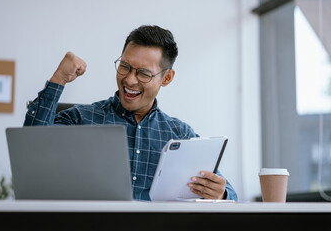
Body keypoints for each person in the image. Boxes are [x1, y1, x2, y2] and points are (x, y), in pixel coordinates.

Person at [24, 25, 238, 201]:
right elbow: (30, 151)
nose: (129, 80)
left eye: (143, 73)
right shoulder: (81, 118)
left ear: (167, 78)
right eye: (125, 66)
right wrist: (59, 78)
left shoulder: (180, 135)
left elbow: (230, 193)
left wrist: (221, 193)